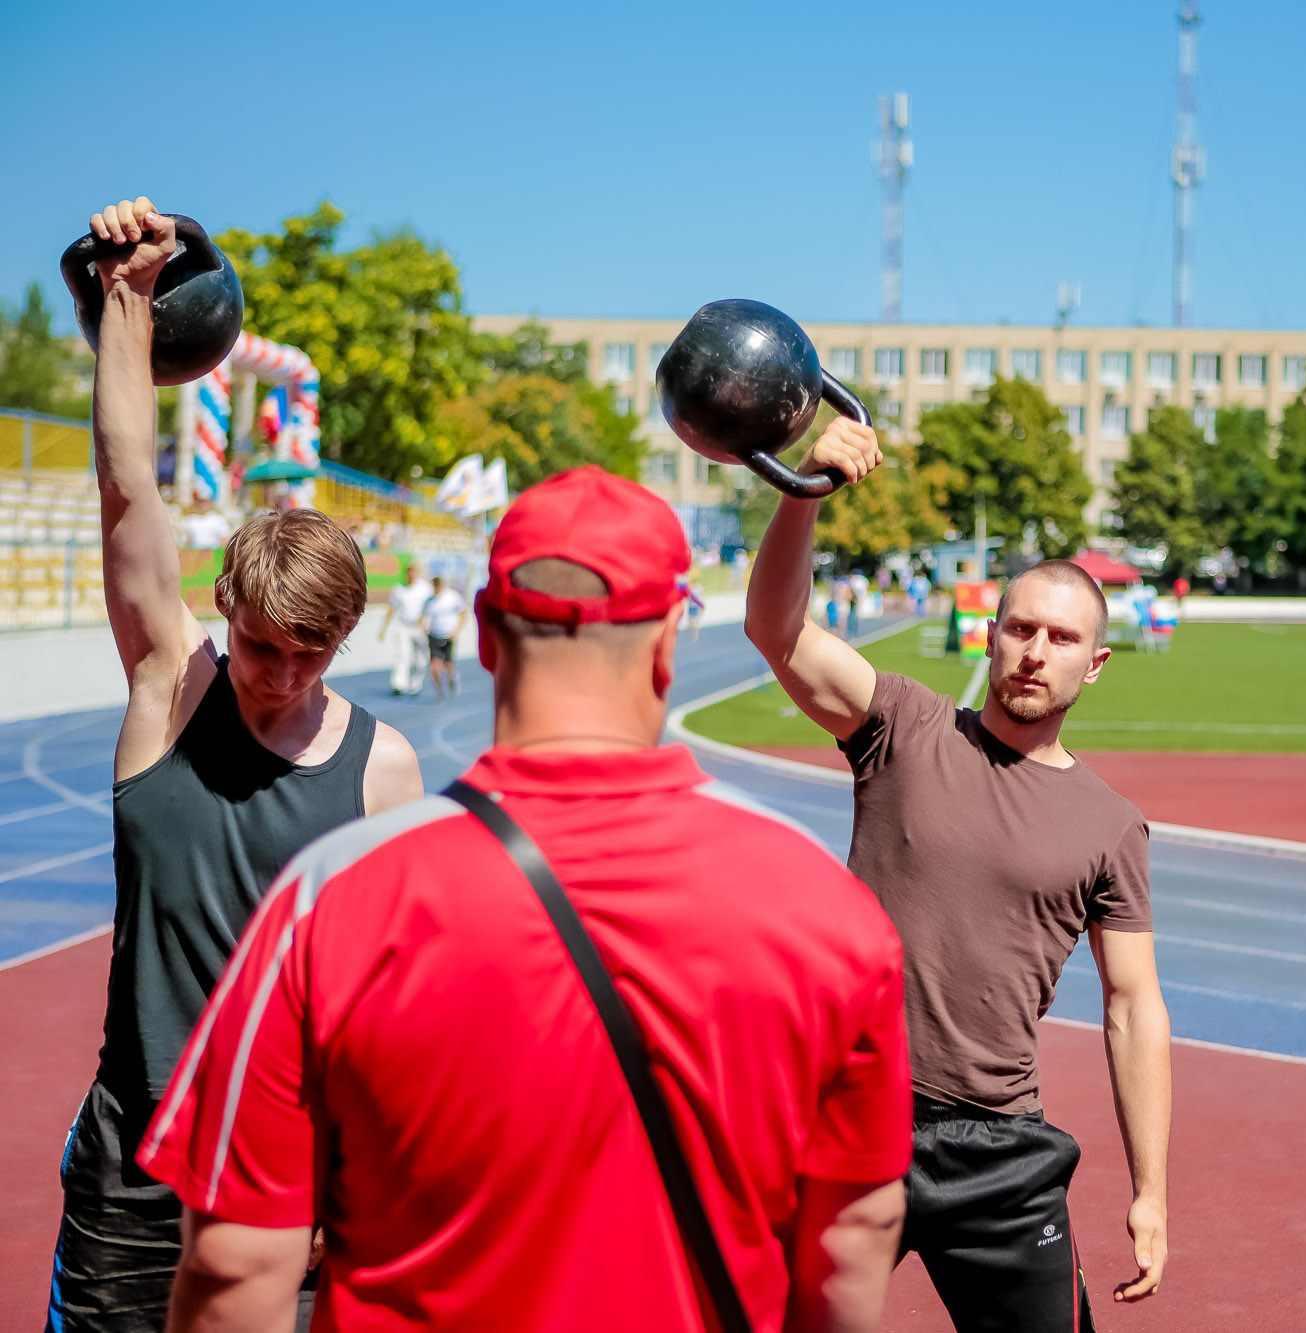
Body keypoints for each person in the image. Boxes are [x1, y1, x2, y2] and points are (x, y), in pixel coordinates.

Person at [138, 466, 912, 1332]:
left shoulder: (330, 898)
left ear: (486, 636)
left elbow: (236, 1263)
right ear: (668, 641)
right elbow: (857, 1233)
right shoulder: (826, 906)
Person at [45, 198, 425, 1333]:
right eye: (263, 646)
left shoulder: (383, 769)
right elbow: (127, 491)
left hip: (287, 1172)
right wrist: (127, 297)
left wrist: (355, 1183)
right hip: (135, 1160)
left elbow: (379, 1009)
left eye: (311, 655)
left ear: (344, 643)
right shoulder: (175, 691)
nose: (282, 675)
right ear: (227, 613)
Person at [746, 420, 1173, 1332]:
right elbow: (775, 629)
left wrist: (1150, 1191)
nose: (1035, 650)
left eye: (1061, 637)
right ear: (990, 635)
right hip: (850, 1110)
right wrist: (801, 488)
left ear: (1093, 665)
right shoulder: (902, 724)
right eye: (1020, 627)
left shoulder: (1112, 826)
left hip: (997, 1145)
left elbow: (1132, 1007)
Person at [378, 563, 430, 696]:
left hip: (420, 627)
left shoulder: (425, 588)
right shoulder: (399, 589)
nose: (411, 574)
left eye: (413, 571)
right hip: (404, 625)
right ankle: (399, 684)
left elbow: (432, 607)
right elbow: (392, 608)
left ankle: (415, 684)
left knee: (421, 658)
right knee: (402, 654)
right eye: (409, 571)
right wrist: (384, 628)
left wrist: (427, 623)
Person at [422, 574, 468, 699]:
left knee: (447, 665)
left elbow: (463, 614)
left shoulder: (452, 597)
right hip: (434, 635)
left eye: (438, 584)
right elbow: (422, 617)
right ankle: (438, 689)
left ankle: (452, 677)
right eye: (435, 585)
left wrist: (456, 630)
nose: (437, 587)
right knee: (434, 665)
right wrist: (423, 627)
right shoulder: (429, 601)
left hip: (449, 635)